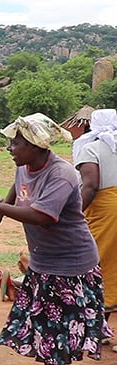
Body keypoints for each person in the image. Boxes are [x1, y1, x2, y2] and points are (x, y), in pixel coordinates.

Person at [0, 113, 113, 365]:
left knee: (55, 325)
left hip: (69, 264)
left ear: (36, 146)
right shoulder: (25, 166)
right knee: (46, 322)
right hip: (45, 261)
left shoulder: (61, 174)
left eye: (16, 143)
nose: (10, 148)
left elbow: (43, 216)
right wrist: (0, 211)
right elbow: (18, 188)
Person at [72, 108, 117, 350]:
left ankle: (98, 330)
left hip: (106, 214)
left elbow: (89, 186)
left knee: (101, 266)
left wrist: (74, 215)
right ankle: (101, 330)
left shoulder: (91, 148)